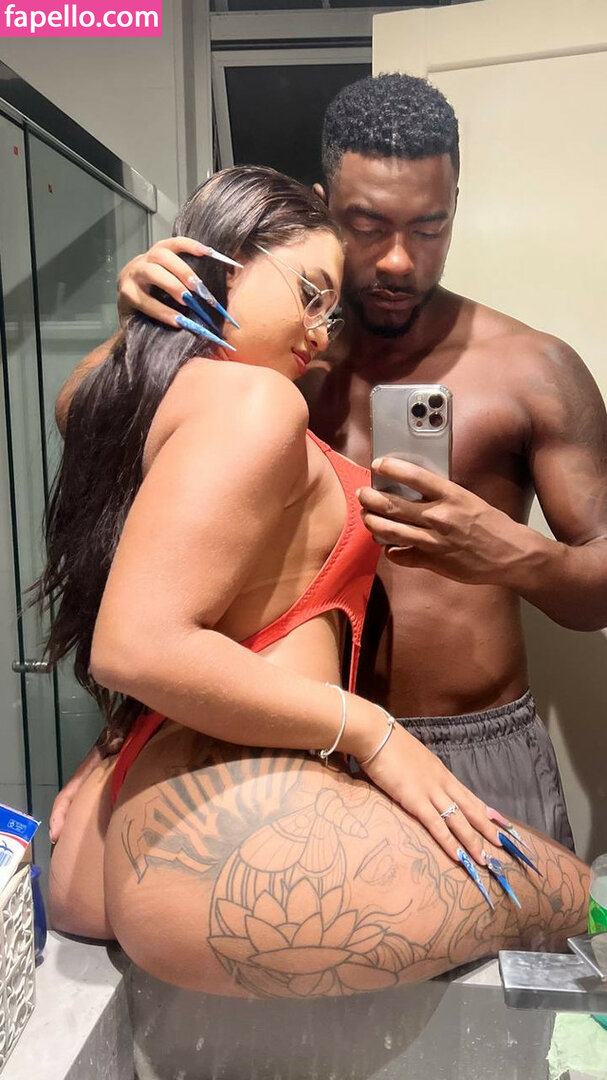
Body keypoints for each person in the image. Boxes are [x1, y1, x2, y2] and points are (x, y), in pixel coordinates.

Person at [42, 164, 589, 995]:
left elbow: (83, 413)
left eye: (428, 225)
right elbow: (142, 641)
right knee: (576, 917)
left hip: (171, 791)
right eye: (310, 292)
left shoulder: (150, 404)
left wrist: (506, 551)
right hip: (274, 789)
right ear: (219, 259)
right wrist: (148, 312)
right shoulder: (261, 400)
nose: (321, 332)